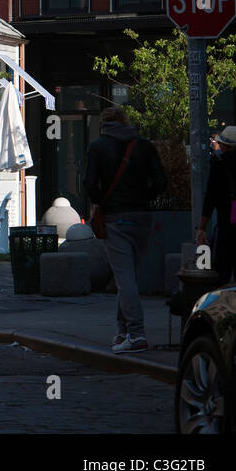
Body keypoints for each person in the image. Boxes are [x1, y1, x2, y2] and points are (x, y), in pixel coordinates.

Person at [82, 106, 167, 355]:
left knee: (124, 278)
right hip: (141, 217)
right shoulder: (144, 145)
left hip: (115, 217)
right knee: (127, 277)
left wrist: (103, 201)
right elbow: (161, 182)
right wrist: (144, 198)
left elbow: (89, 184)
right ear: (125, 121)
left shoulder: (97, 147)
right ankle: (122, 332)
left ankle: (136, 333)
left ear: (103, 123)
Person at [199, 125, 236, 283]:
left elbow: (210, 197)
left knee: (222, 270)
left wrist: (202, 227)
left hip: (226, 223)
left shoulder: (219, 164)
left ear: (225, 145)